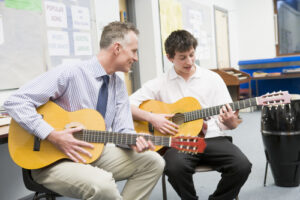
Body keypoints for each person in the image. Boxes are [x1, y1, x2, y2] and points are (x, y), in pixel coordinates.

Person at [4, 21, 165, 200]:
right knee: (103, 185)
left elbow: (123, 131)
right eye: (134, 51)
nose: (136, 58)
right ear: (117, 48)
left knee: (154, 161)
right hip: (52, 162)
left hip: (93, 152)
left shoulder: (118, 85)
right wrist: (52, 134)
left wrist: (134, 141)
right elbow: (16, 102)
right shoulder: (70, 73)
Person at [130, 30, 252, 200]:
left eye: (192, 55)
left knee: (242, 166)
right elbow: (127, 105)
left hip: (212, 137)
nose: (189, 61)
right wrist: (152, 118)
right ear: (170, 58)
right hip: (180, 141)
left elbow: (229, 125)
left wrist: (231, 121)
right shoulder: (160, 83)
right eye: (182, 57)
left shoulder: (213, 79)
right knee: (174, 167)